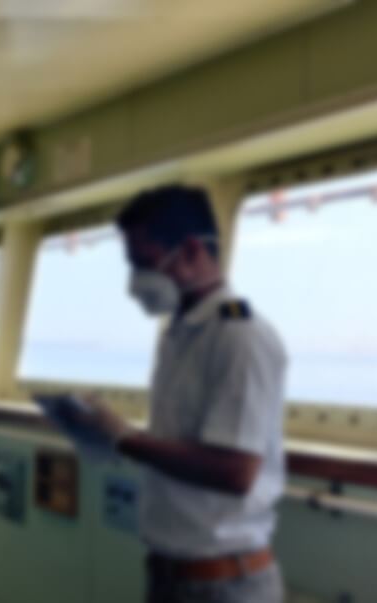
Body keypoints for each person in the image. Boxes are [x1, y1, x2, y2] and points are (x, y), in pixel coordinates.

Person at [59, 185, 288, 603]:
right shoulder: (180, 334)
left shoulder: (240, 336)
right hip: (171, 575)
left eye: (145, 263)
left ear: (192, 250)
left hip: (225, 585)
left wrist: (123, 436)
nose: (136, 283)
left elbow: (236, 470)